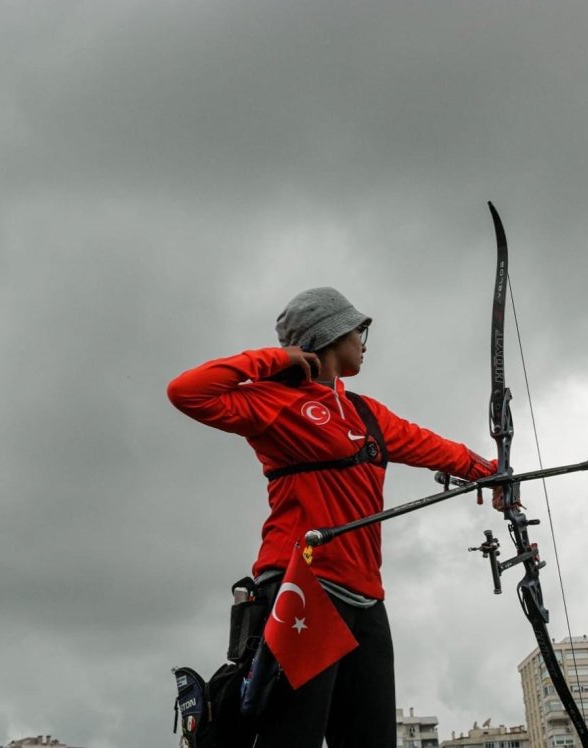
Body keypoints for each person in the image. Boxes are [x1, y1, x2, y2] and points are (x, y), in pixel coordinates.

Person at [167, 287, 500, 748]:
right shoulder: (272, 402)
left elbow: (432, 447)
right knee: (292, 736)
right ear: (329, 335)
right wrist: (277, 358)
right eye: (358, 330)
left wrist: (493, 475)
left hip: (365, 598)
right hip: (302, 587)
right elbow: (186, 391)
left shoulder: (366, 412)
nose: (364, 341)